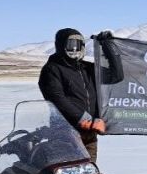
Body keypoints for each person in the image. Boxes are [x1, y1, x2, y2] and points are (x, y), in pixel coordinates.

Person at [38, 28, 105, 163]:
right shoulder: (52, 69)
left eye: (78, 44)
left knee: (89, 173)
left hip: (90, 133)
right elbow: (57, 98)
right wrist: (84, 119)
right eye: (70, 44)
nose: (74, 49)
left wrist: (108, 47)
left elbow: (116, 76)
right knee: (68, 173)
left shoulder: (87, 68)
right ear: (61, 45)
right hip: (66, 133)